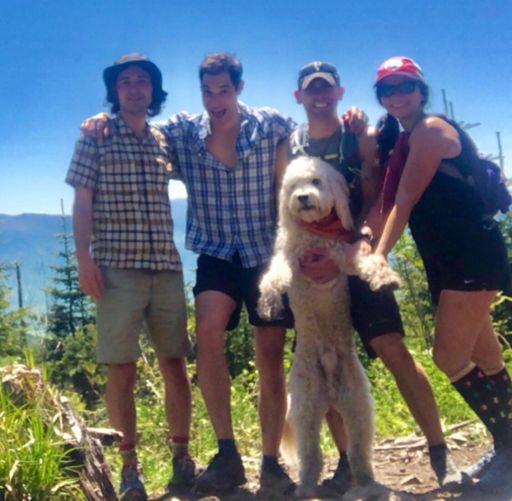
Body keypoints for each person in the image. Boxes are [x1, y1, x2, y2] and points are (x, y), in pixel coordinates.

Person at [81, 52, 366, 494]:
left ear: (238, 89)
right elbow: (138, 124)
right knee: (208, 331)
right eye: (208, 92)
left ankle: (270, 461)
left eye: (224, 90)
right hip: (216, 253)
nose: (216, 100)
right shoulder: (182, 132)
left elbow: (313, 131)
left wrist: (352, 120)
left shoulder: (269, 124)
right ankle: (227, 452)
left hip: (264, 252)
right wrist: (103, 118)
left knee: (269, 353)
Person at [289, 61, 464, 491]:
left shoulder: (360, 135)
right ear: (299, 96)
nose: (319, 96)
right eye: (311, 89)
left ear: (339, 92)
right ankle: (349, 464)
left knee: (392, 349)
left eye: (326, 88)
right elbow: (287, 208)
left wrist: (362, 247)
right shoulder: (291, 146)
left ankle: (440, 452)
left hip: (358, 257)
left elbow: (379, 197)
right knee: (324, 359)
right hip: (315, 264)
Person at [369, 55, 512, 494]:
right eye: (387, 89)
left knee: (448, 357)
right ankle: (506, 447)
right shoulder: (406, 136)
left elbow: (405, 200)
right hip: (453, 261)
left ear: (421, 91)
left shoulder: (429, 132)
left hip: (469, 258)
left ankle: (510, 449)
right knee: (487, 359)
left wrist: (379, 255)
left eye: (405, 86)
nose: (397, 95)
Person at [66, 53, 196, 500]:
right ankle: (129, 468)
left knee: (174, 362)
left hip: (165, 266)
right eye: (126, 81)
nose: (135, 87)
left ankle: (182, 459)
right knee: (121, 367)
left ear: (153, 91)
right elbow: (83, 202)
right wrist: (84, 260)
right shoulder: (96, 137)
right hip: (116, 267)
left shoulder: (162, 141)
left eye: (143, 80)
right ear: (115, 91)